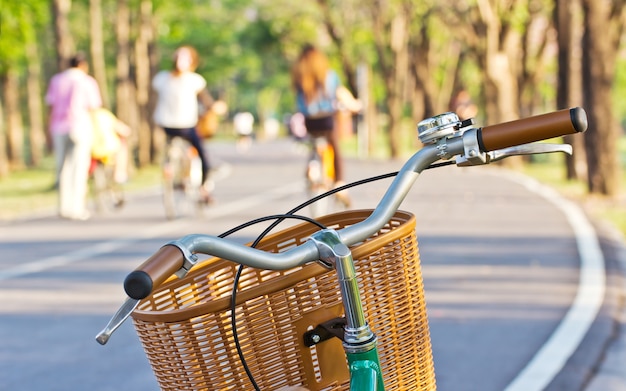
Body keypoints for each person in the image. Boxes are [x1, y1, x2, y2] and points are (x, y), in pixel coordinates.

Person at [291, 44, 361, 206]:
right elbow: (341, 93)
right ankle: (340, 183)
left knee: (314, 145)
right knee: (334, 147)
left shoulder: (299, 77)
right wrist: (355, 105)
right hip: (326, 119)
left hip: (309, 121)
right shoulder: (328, 75)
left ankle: (312, 167)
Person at [152, 45, 219, 203]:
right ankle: (203, 189)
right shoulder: (193, 80)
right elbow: (207, 101)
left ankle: (177, 171)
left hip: (166, 125)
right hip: (185, 127)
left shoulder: (162, 78)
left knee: (182, 151)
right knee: (202, 155)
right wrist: (215, 107)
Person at [45, 52, 102, 220]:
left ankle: (64, 207)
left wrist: (48, 129)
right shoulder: (87, 81)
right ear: (83, 65)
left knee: (62, 168)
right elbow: (93, 108)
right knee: (79, 167)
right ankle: (77, 208)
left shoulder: (57, 80)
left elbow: (50, 106)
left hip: (59, 127)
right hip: (80, 126)